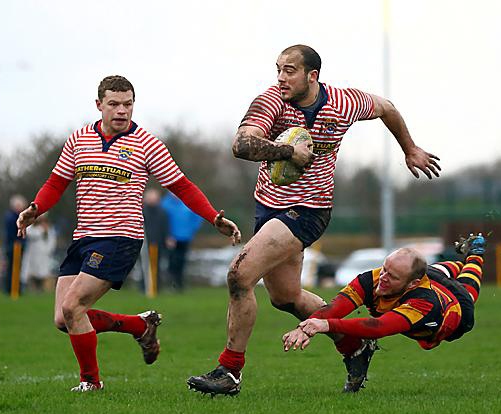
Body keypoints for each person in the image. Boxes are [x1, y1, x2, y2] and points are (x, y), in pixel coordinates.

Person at [187, 44, 441, 396]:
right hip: (268, 208)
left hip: (309, 210)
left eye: (289, 70)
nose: (280, 77)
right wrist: (289, 151)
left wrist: (409, 149)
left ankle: (229, 371)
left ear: (313, 75)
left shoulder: (343, 102)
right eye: (277, 69)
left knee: (238, 275)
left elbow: (388, 108)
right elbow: (241, 144)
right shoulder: (272, 100)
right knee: (286, 297)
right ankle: (353, 344)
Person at [16, 75, 241, 393]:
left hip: (121, 238)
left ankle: (90, 383)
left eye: (128, 104)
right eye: (114, 104)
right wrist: (35, 208)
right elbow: (56, 183)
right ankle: (139, 325)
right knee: (63, 319)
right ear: (99, 105)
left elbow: (181, 186)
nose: (122, 111)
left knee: (73, 307)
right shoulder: (79, 139)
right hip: (83, 238)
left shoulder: (146, 143)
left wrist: (213, 217)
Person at [282, 233, 486, 393]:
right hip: (428, 275)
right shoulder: (375, 277)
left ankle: (475, 254)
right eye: (385, 269)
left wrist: (325, 325)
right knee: (439, 270)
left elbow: (379, 327)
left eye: (393, 276)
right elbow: (335, 309)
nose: (383, 278)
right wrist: (305, 327)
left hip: (455, 312)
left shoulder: (424, 303)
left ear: (412, 284)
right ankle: (462, 259)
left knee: (465, 290)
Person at [161, 192, 203, 291]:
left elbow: (197, 217)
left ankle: (180, 284)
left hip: (185, 237)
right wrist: (167, 235)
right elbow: (162, 221)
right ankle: (171, 284)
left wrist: (192, 230)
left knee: (182, 261)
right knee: (172, 261)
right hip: (171, 239)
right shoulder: (165, 204)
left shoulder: (188, 201)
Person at [20, 213, 57, 292]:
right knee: (31, 272)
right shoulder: (31, 227)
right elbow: (30, 234)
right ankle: (32, 289)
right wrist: (41, 230)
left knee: (43, 272)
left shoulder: (49, 228)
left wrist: (49, 250)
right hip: (32, 253)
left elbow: (52, 240)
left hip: (44, 254)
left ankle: (42, 289)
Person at [142, 188, 169, 290]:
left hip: (158, 242)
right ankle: (144, 287)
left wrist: (167, 238)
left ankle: (156, 287)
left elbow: (165, 227)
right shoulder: (142, 211)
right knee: (145, 266)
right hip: (144, 243)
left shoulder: (162, 212)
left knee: (157, 266)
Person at [3, 194, 27, 295]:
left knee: (19, 268)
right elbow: (12, 233)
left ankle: (17, 288)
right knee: (12, 268)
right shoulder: (11, 217)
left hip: (19, 245)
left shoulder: (20, 216)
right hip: (13, 246)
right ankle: (11, 289)